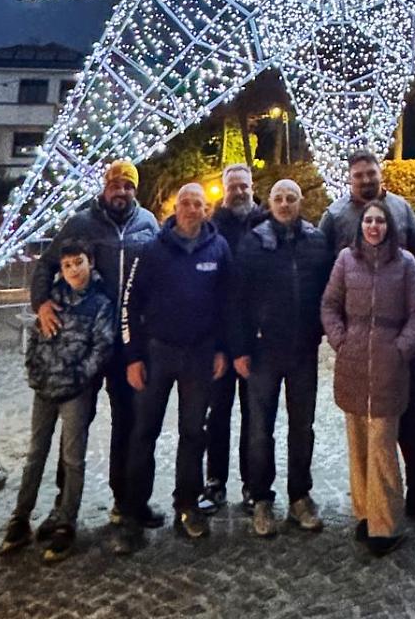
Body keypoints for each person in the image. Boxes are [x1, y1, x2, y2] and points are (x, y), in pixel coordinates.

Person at [318, 149, 415, 522]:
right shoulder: (334, 217)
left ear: (380, 174)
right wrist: (339, 336)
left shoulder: (400, 208)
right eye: (359, 175)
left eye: (371, 173)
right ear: (350, 180)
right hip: (358, 344)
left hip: (398, 339)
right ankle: (371, 505)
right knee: (366, 427)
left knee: (411, 415)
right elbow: (324, 276)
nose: (366, 180)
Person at [29, 159, 160, 531]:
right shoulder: (81, 223)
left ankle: (127, 501)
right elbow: (46, 264)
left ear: (136, 190)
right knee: (75, 425)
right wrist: (41, 303)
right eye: (115, 184)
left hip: (127, 343)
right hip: (81, 342)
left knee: (128, 423)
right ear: (104, 188)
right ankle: (62, 507)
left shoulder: (148, 224)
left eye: (128, 186)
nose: (121, 191)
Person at [113, 182, 231, 553]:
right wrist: (133, 356)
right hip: (157, 354)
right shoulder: (152, 250)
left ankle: (187, 505)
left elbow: (229, 304)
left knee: (194, 433)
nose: (191, 209)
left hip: (199, 355)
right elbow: (129, 304)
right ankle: (132, 514)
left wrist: (222, 350)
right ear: (175, 208)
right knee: (143, 433)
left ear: (205, 210)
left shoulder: (220, 248)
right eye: (185, 203)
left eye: (198, 203)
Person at [321, 197, 415, 557]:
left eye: (380, 221)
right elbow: (330, 304)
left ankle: (387, 523)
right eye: (367, 221)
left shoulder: (405, 263)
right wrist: (340, 339)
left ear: (389, 226)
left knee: (382, 445)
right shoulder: (345, 260)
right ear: (360, 225)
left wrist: (402, 347)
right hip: (353, 363)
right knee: (359, 443)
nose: (373, 227)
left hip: (389, 364)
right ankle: (366, 513)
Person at [2, 236, 116, 562]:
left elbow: (102, 346)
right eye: (67, 265)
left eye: (78, 263)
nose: (73, 270)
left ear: (90, 262)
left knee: (73, 458)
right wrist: (35, 372)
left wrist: (81, 377)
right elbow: (36, 338)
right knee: (35, 454)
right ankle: (20, 517)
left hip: (74, 391)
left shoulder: (100, 303)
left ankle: (67, 520)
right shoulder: (52, 299)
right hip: (45, 389)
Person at [232, 178, 331, 537]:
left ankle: (299, 496)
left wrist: (323, 331)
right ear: (269, 203)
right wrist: (240, 348)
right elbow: (238, 300)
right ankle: (261, 498)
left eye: (291, 198)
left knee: (302, 428)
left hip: (303, 349)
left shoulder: (316, 241)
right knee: (260, 430)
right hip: (262, 352)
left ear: (300, 202)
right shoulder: (253, 242)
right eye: (279, 198)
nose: (285, 203)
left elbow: (328, 294)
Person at [203, 162, 266, 510]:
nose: (239, 191)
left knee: (253, 415)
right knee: (218, 412)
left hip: (256, 337)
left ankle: (250, 481)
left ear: (252, 187)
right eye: (233, 187)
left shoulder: (265, 223)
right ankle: (215, 481)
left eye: (244, 186)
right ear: (224, 190)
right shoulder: (212, 228)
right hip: (221, 338)